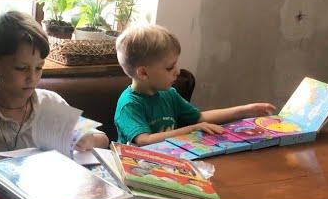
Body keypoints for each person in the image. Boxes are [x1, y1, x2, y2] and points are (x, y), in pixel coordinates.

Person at [0, 11, 109, 163]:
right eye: (21, 68)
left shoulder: (51, 102)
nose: (32, 77)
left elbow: (103, 140)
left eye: (38, 68)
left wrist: (87, 140)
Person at [114, 24, 275, 146]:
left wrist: (245, 111)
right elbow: (144, 140)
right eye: (169, 68)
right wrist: (189, 130)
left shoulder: (169, 94)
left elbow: (199, 118)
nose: (177, 72)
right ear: (143, 73)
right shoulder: (129, 105)